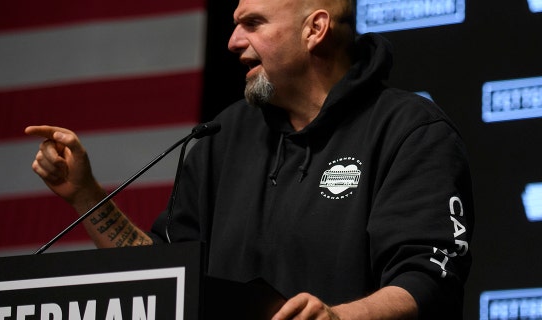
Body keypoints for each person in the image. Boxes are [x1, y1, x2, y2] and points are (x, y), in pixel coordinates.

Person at [25, 0, 475, 318]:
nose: (233, 41)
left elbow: (428, 279)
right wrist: (85, 196)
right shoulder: (223, 136)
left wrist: (339, 319)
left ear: (314, 30)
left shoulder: (410, 130)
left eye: (253, 23)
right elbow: (165, 276)